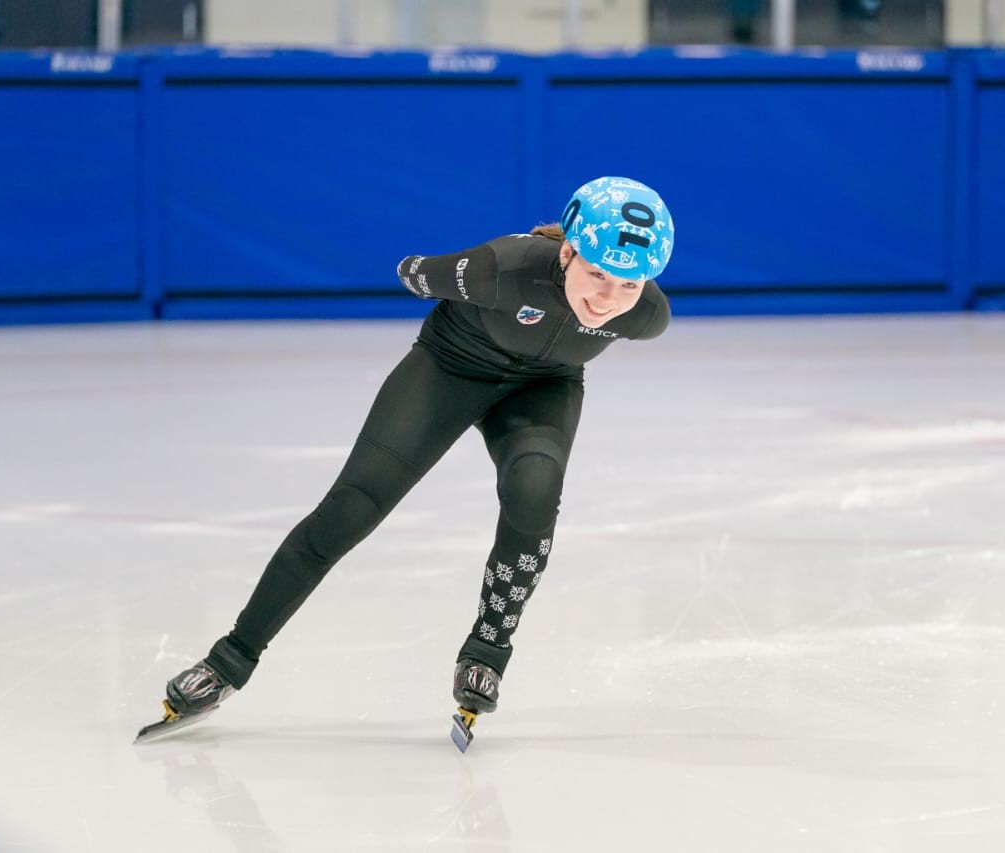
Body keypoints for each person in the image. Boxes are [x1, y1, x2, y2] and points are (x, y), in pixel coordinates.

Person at [153, 176, 675, 733]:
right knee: (353, 506)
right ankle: (229, 660)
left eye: (629, 283)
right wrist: (440, 275)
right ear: (567, 251)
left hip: (543, 386)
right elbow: (412, 272)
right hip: (450, 368)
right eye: (597, 273)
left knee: (535, 491)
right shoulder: (501, 268)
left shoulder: (646, 317)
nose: (607, 299)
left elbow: (605, 311)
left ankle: (486, 653)